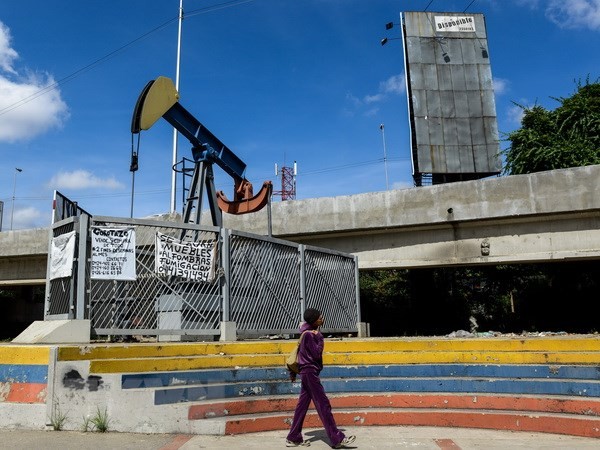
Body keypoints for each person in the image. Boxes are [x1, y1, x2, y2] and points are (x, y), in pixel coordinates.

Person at [285, 308, 356, 448]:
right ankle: (337, 438)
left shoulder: (306, 334)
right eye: (320, 317)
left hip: (307, 373)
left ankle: (293, 437)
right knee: (323, 404)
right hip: (310, 372)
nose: (322, 318)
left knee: (302, 405)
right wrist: (320, 338)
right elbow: (317, 354)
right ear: (314, 320)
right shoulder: (311, 335)